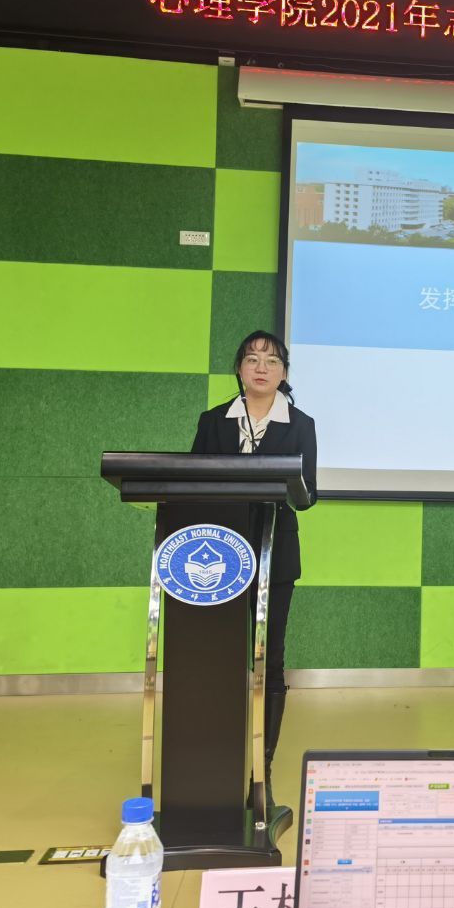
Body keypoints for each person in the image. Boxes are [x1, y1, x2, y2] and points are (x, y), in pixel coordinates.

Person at [191, 329, 317, 827]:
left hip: (274, 554)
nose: (261, 367)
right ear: (239, 370)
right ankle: (215, 771)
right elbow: (191, 484)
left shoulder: (301, 425)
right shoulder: (213, 422)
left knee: (269, 662)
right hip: (218, 558)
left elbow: (309, 494)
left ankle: (259, 776)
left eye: (271, 360)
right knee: (219, 663)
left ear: (283, 372)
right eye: (251, 359)